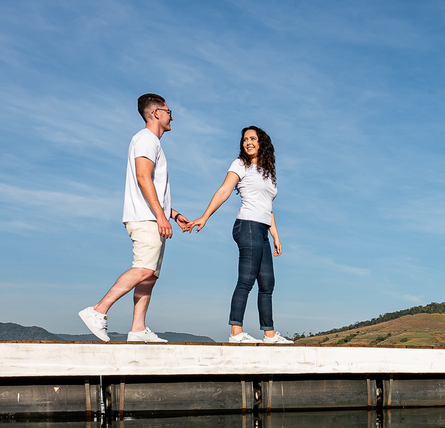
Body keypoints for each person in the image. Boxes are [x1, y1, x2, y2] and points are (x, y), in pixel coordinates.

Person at [78, 93, 192, 344]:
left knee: (149, 276)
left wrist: (173, 214)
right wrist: (161, 217)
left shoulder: (151, 142)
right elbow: (143, 178)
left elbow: (151, 186)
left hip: (151, 216)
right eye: (169, 111)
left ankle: (138, 329)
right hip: (146, 219)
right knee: (143, 268)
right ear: (156, 113)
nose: (172, 116)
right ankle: (98, 310)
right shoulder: (146, 139)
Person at [189, 127, 293, 344]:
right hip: (247, 226)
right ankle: (236, 332)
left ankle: (269, 334)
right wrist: (205, 216)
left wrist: (276, 236)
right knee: (246, 280)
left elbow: (268, 207)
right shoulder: (240, 165)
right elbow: (225, 190)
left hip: (262, 229)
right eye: (245, 139)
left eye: (252, 139)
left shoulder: (267, 172)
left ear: (262, 142)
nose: (248, 142)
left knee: (267, 283)